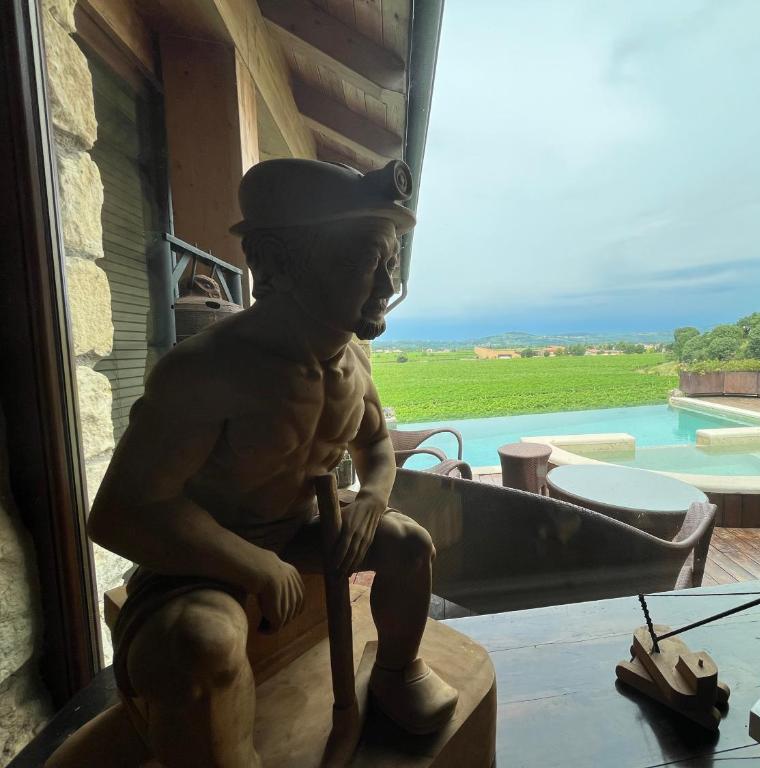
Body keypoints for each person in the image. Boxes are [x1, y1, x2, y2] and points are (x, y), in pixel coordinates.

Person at [52, 158, 457, 768]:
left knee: (408, 544)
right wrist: (252, 564)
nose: (385, 285)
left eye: (390, 263)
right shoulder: (210, 370)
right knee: (199, 644)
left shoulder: (351, 362)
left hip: (297, 530)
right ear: (276, 262)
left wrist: (373, 498)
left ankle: (396, 675)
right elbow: (121, 513)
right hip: (202, 559)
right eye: (363, 261)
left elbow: (375, 445)